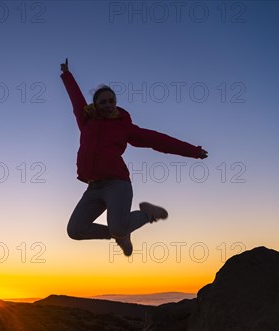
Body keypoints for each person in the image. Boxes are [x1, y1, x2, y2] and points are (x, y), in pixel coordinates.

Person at [60, 58, 208, 256]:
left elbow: (158, 140)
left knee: (119, 226)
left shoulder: (124, 127)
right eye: (102, 102)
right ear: (95, 105)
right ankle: (120, 234)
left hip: (117, 184)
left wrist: (193, 151)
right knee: (75, 231)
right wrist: (67, 75)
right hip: (93, 187)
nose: (108, 105)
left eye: (111, 101)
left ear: (116, 103)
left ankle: (148, 214)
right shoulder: (86, 120)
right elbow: (76, 98)